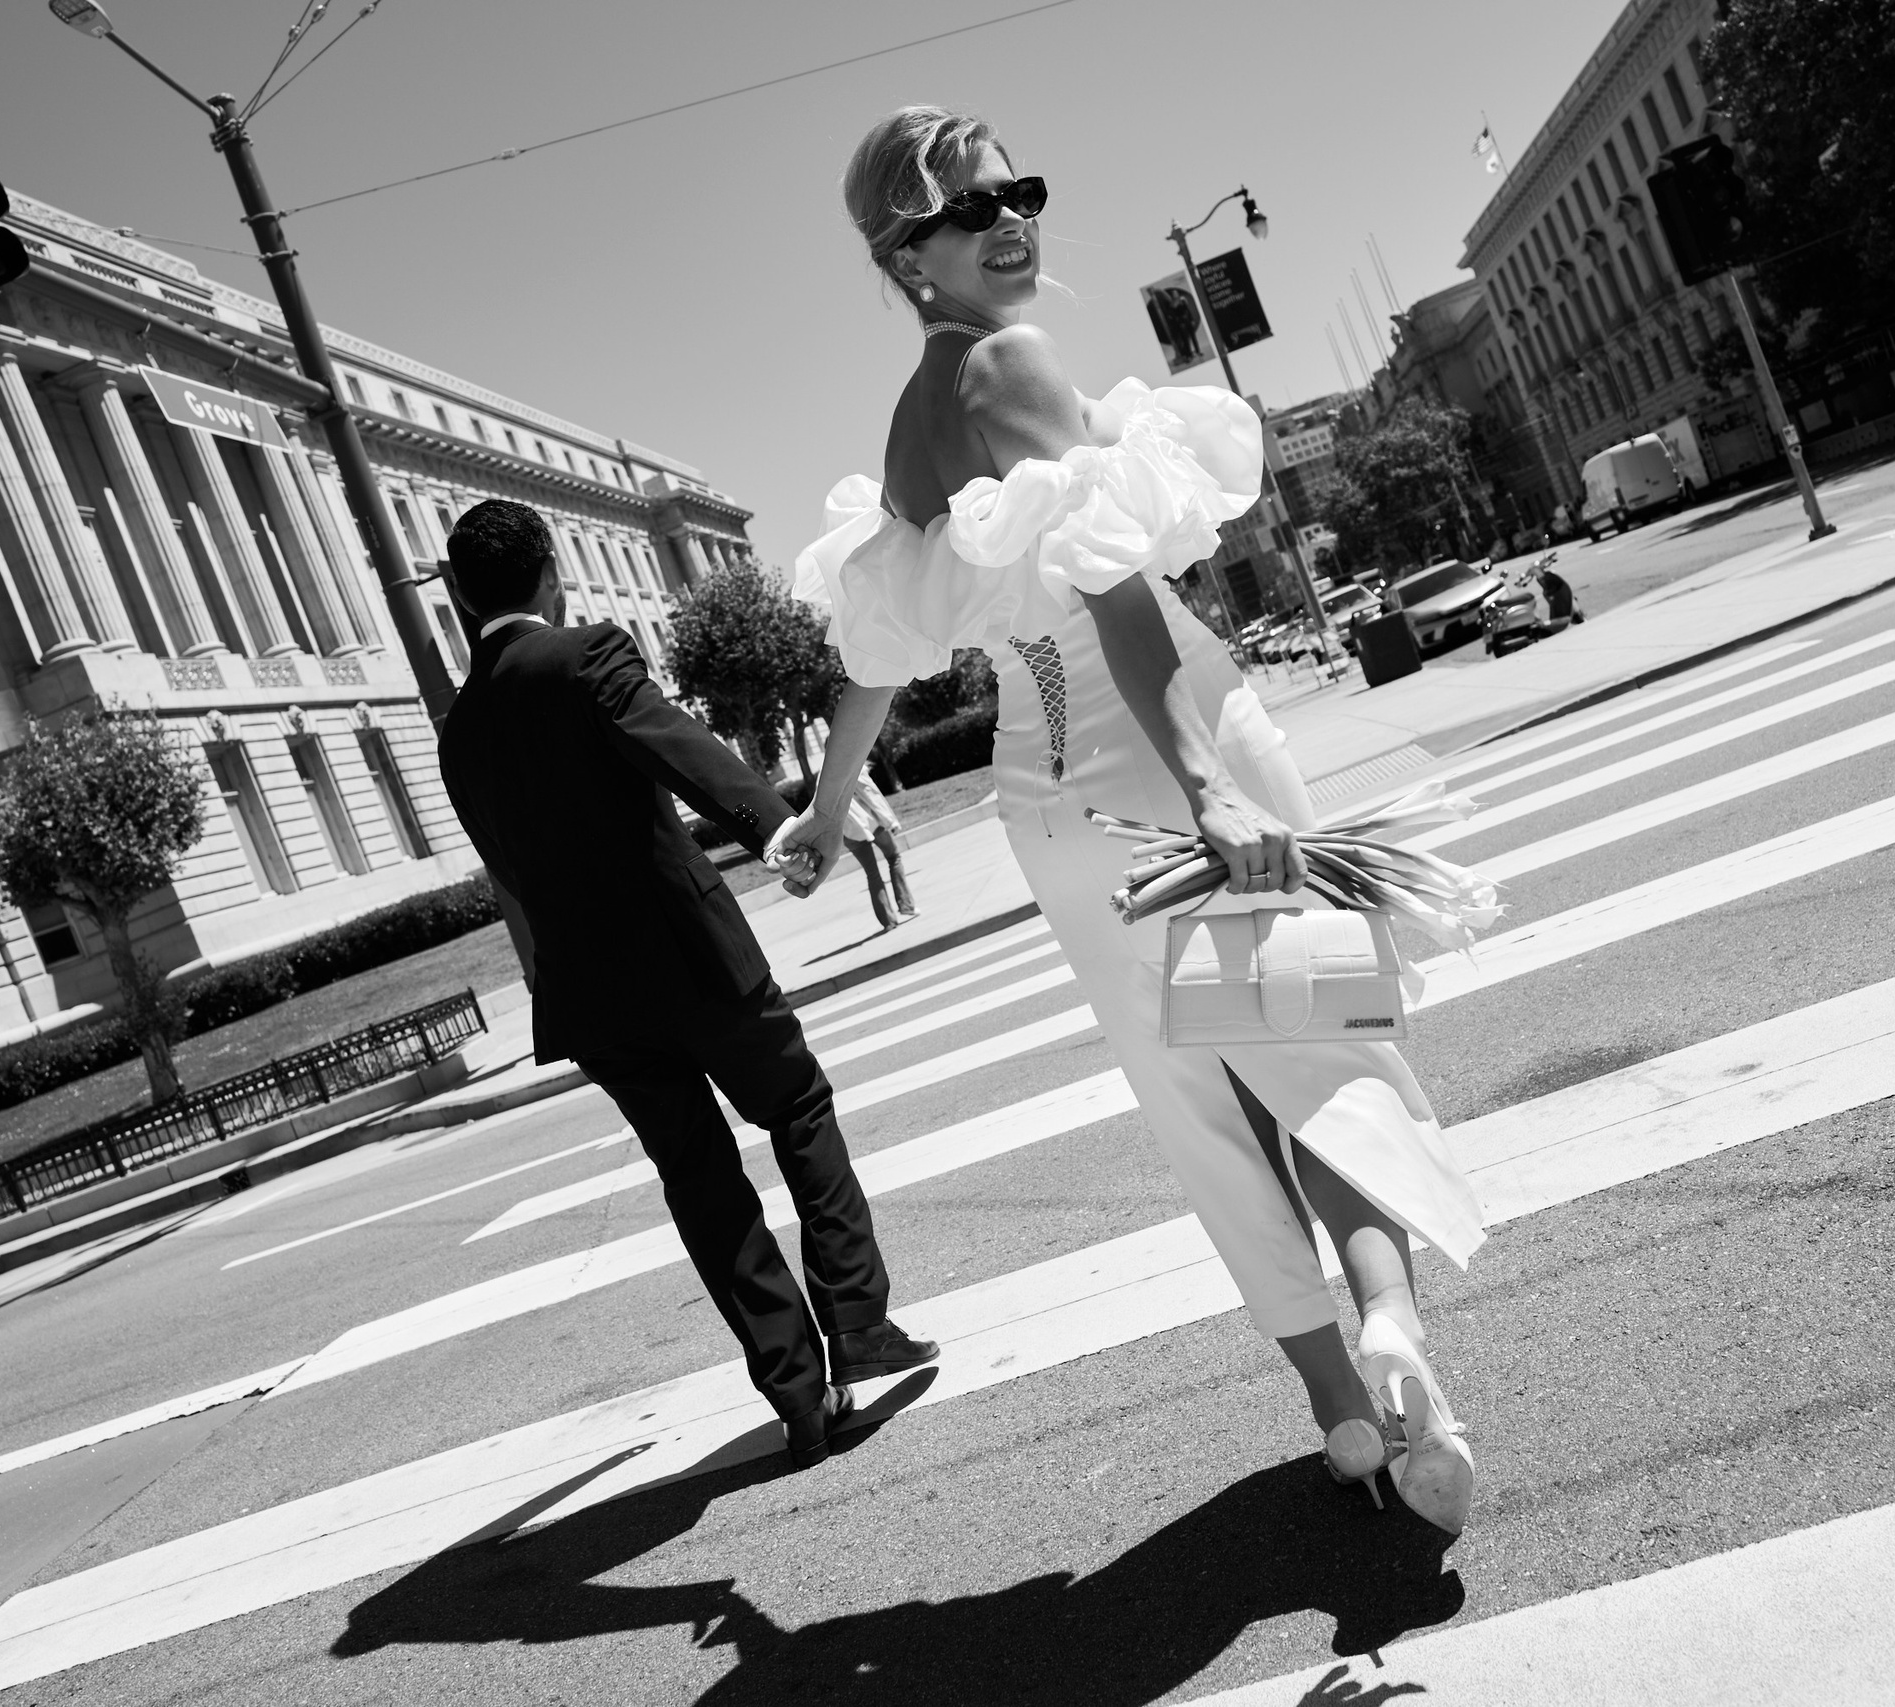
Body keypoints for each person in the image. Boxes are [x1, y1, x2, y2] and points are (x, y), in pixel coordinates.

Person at [773, 110, 1484, 1532]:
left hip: (1051, 810)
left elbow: (879, 655)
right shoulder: (1013, 362)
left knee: (1200, 1107)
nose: (1012, 219)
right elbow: (1111, 593)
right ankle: (1397, 1336)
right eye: (970, 210)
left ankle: (1341, 1415)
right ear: (904, 257)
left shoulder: (913, 418)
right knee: (1319, 1036)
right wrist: (1210, 787)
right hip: (1173, 752)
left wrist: (830, 804)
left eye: (1019, 189)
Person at [435, 499, 936, 1469]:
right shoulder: (586, 655)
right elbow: (672, 742)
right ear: (551, 573)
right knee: (797, 1108)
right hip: (690, 956)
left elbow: (514, 865)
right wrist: (774, 825)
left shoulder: (457, 734)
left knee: (699, 1184)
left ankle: (795, 1392)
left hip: (587, 997)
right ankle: (857, 1320)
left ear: (458, 594)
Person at [841, 770, 917, 927]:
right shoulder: (852, 763)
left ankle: (888, 921)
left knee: (872, 874)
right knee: (894, 857)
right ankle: (906, 905)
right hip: (870, 823)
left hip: (848, 832)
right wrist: (891, 821)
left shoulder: (821, 778)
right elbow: (871, 794)